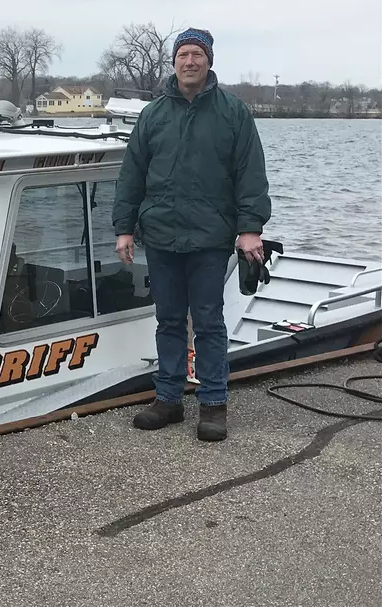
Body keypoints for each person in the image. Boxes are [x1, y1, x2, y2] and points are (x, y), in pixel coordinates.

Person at [112, 28, 271, 442]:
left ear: (209, 61)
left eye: (197, 54)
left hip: (210, 237)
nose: (190, 61)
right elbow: (132, 176)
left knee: (208, 322)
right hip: (161, 234)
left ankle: (214, 404)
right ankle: (168, 399)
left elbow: (250, 175)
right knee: (167, 320)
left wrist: (250, 229)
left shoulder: (233, 112)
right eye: (183, 54)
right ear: (174, 62)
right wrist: (124, 229)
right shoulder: (153, 114)